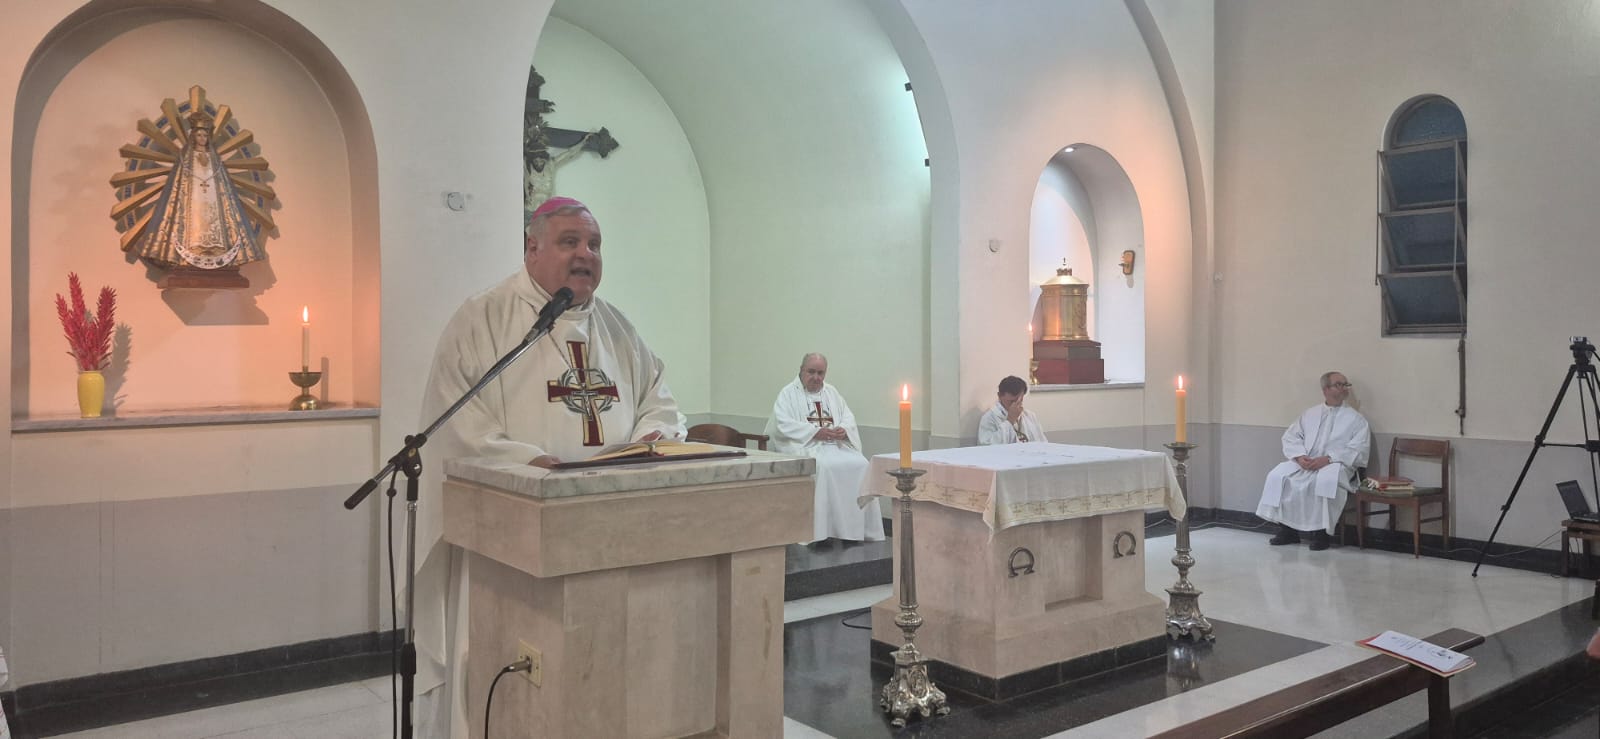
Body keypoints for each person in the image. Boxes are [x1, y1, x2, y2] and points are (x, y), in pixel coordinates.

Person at [413, 196, 686, 737]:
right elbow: (459, 423)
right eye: (570, 242)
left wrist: (651, 438)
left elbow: (659, 398)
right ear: (531, 248)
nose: (586, 254)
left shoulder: (618, 328)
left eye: (594, 245)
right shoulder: (484, 319)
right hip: (511, 537)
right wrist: (535, 465)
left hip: (612, 527)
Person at [765, 353, 884, 544]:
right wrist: (814, 432)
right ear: (801, 371)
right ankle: (823, 531)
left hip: (834, 444)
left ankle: (856, 530)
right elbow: (782, 423)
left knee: (861, 464)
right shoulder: (788, 393)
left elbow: (847, 417)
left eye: (820, 373)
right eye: (811, 372)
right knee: (825, 466)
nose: (816, 377)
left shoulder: (832, 392)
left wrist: (843, 430)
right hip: (805, 445)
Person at [1256, 371, 1369, 551]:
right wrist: (1300, 456)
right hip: (1306, 462)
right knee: (1278, 476)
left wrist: (1329, 458)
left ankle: (1321, 534)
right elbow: (1291, 437)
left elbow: (1358, 449)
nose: (1345, 388)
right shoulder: (1310, 414)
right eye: (1339, 384)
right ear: (1325, 389)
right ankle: (1287, 530)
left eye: (1346, 384)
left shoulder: (1355, 419)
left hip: (1336, 464)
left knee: (1323, 481)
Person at [140, 111, 265, 270]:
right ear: (193, 136)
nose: (202, 139)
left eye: (205, 136)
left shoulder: (215, 160)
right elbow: (179, 186)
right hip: (192, 201)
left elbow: (223, 187)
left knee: (214, 218)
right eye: (199, 135)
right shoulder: (186, 159)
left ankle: (219, 253)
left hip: (213, 200)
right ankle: (185, 255)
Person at [978, 375, 1046, 445]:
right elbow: (987, 448)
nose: (1015, 405)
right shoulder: (989, 418)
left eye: (1020, 400)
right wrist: (1010, 421)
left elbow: (1043, 443)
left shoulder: (1030, 416)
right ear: (999, 396)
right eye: (1011, 401)